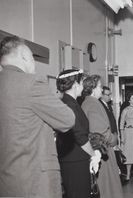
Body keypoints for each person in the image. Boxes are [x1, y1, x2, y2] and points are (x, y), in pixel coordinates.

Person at [0, 36, 75, 197]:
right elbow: (67, 119)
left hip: (7, 181)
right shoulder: (31, 83)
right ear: (24, 56)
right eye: (32, 58)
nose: (34, 63)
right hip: (35, 180)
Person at [56, 69, 101, 198]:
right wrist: (94, 155)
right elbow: (79, 135)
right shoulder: (69, 104)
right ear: (75, 84)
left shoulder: (71, 102)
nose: (83, 86)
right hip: (74, 161)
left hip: (76, 158)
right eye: (82, 82)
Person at [81, 75, 123, 198]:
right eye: (99, 86)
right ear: (93, 88)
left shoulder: (90, 102)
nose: (101, 89)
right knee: (108, 187)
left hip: (101, 147)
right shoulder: (92, 104)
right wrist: (113, 139)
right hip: (102, 149)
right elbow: (100, 131)